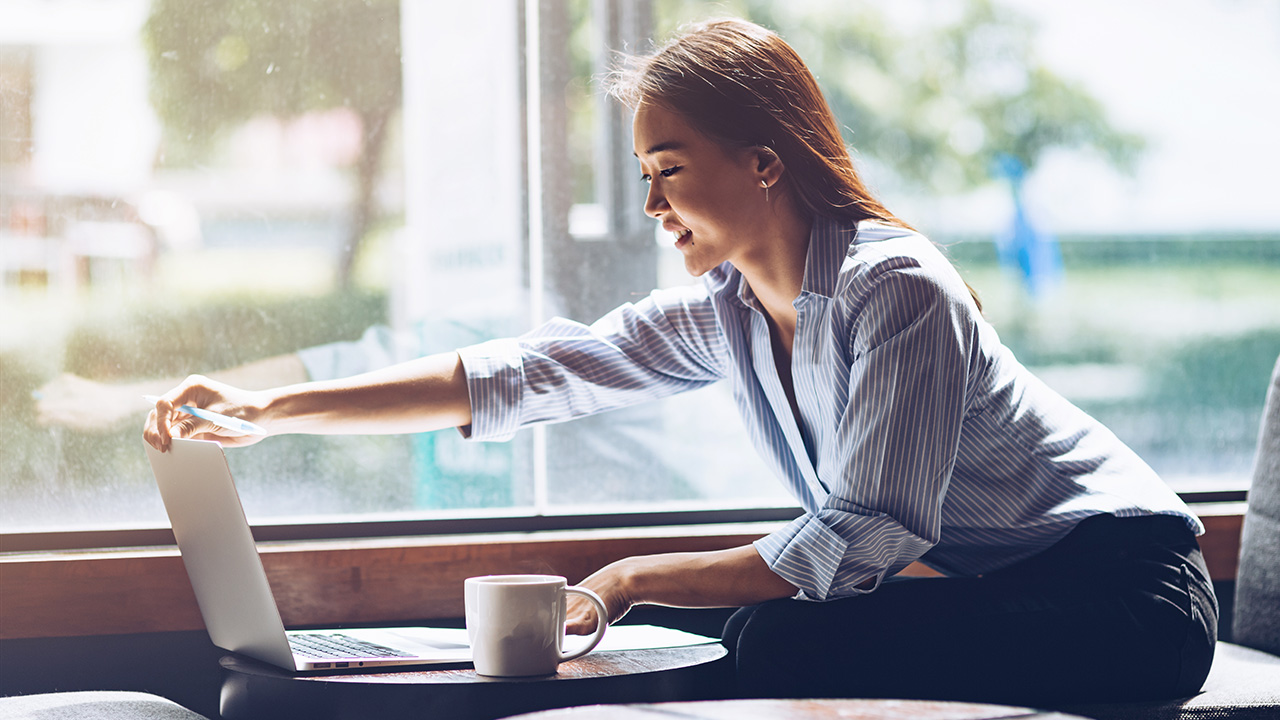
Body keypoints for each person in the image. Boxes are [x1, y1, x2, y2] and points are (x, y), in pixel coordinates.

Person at [144, 18, 1216, 706]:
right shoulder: (731, 310)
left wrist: (624, 577)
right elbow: (530, 373)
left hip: (1128, 606)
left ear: (762, 163)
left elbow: (862, 536)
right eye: (644, 172)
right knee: (702, 635)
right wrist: (269, 408)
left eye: (667, 168)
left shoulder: (895, 288)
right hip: (1008, 590)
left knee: (777, 643)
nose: (650, 203)